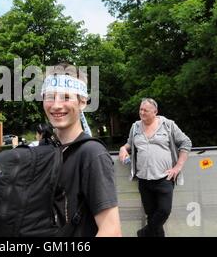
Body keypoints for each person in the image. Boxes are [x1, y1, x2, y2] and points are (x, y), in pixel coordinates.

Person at [42, 63, 122, 237]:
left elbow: (111, 230)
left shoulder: (92, 154)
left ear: (83, 102)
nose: (56, 105)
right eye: (50, 96)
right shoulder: (44, 151)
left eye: (65, 97)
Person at [119, 98, 192, 237]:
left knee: (164, 211)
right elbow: (129, 143)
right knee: (151, 216)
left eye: (145, 110)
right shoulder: (135, 127)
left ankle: (143, 233)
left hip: (164, 178)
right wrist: (123, 148)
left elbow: (186, 142)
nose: (141, 112)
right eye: (140, 109)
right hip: (144, 179)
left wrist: (177, 167)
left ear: (155, 112)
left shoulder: (168, 125)